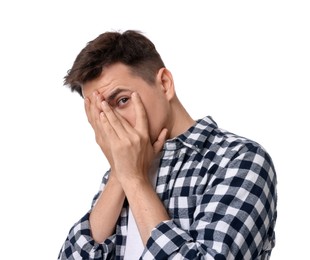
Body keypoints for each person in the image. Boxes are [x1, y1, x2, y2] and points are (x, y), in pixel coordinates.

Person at [57, 30, 277, 260]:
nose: (113, 124)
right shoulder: (119, 171)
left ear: (164, 83)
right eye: (101, 114)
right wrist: (118, 175)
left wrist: (134, 179)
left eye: (122, 101)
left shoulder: (239, 160)